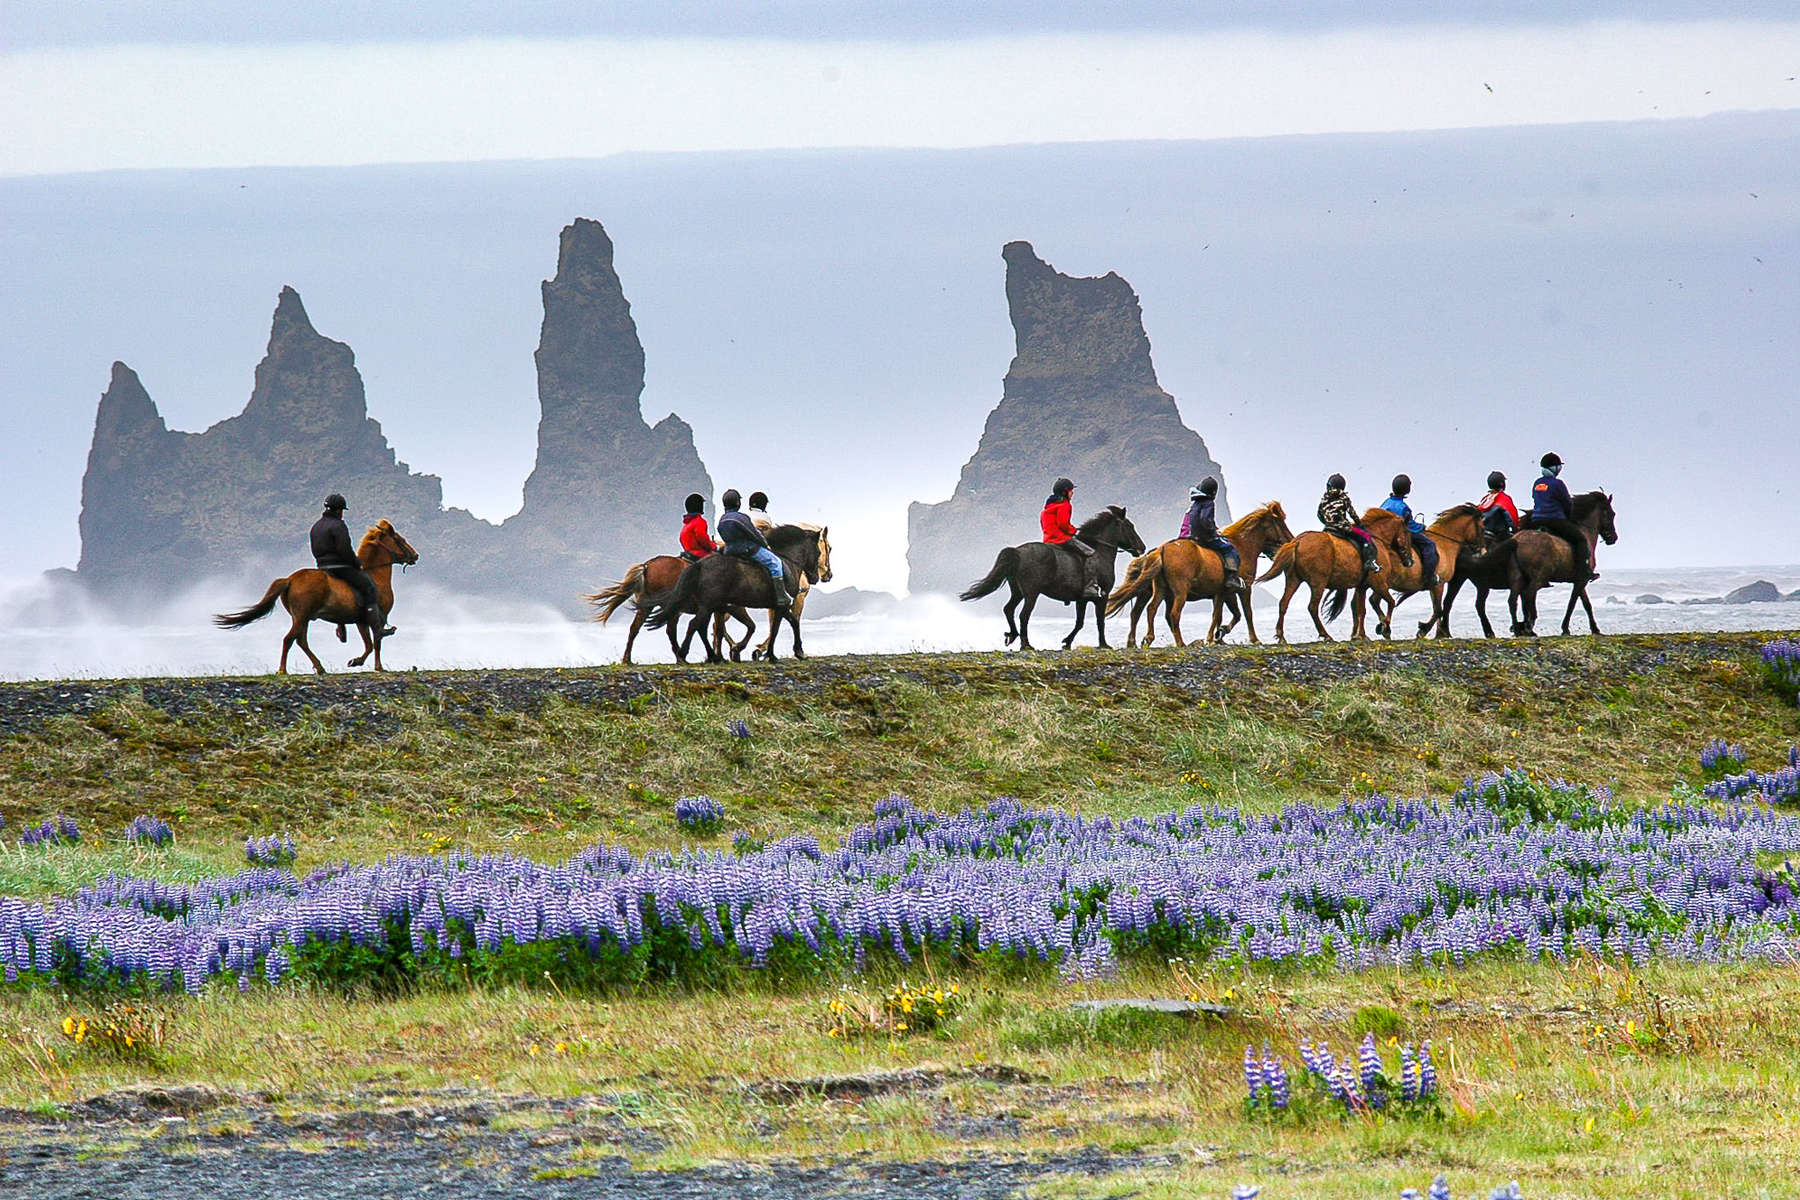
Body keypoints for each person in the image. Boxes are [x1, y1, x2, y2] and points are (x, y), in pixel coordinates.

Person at [310, 493, 393, 638]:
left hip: (322, 567)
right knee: (368, 585)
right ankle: (378, 628)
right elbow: (344, 549)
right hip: (339, 567)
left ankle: (340, 625)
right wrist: (356, 563)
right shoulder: (338, 525)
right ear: (339, 510)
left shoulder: (316, 526)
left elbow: (314, 548)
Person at [1526, 452, 1597, 580]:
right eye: (1559, 466)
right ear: (1555, 468)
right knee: (1580, 540)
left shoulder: (1537, 483)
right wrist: (1569, 517)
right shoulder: (1558, 484)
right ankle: (1582, 571)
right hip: (1554, 520)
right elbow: (1567, 503)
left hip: (1536, 520)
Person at [716, 488, 790, 609]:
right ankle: (781, 596)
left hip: (729, 551)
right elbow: (754, 534)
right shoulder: (740, 517)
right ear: (737, 503)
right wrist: (765, 545)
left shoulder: (722, 520)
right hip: (747, 549)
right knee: (775, 562)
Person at [1041, 477, 1104, 602]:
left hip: (1048, 540)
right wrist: (1074, 530)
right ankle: (1090, 587)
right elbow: (1063, 524)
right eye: (1070, 490)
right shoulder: (1064, 505)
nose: (1072, 493)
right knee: (1091, 554)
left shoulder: (1047, 508)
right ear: (1064, 492)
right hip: (1062, 539)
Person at [1184, 478, 1246, 592]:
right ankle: (1231, 577)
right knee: (1229, 548)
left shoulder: (1195, 503)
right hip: (1206, 537)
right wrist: (1213, 531)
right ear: (1214, 492)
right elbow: (1205, 519)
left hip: (1193, 536)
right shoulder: (1209, 502)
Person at [1317, 473, 1381, 575]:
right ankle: (1369, 561)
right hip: (1343, 527)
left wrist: (1328, 522)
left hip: (1328, 527)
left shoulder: (1324, 498)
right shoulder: (1343, 497)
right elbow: (1352, 513)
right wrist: (1360, 525)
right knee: (1366, 536)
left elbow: (1319, 514)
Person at [1381, 475, 1438, 584]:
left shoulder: (1386, 502)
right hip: (1401, 534)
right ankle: (1428, 576)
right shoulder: (1403, 507)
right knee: (1429, 544)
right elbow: (1411, 526)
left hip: (1387, 535)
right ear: (1407, 489)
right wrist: (1422, 527)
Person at [1477, 470, 1519, 542]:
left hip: (1483, 533)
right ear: (1502, 483)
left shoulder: (1485, 499)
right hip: (1499, 535)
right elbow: (1512, 518)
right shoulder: (1504, 498)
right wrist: (1515, 530)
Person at [678, 492, 715, 562]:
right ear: (699, 506)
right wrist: (714, 546)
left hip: (687, 553)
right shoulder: (699, 522)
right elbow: (703, 539)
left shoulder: (686, 525)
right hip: (699, 554)